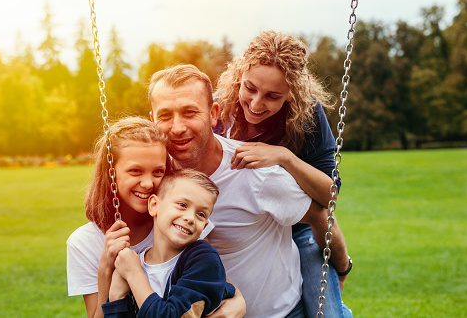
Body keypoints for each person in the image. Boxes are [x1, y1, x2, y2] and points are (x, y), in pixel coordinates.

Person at [148, 64, 347, 318]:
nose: (177, 127)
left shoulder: (255, 172)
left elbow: (321, 214)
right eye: (165, 115)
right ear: (152, 119)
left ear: (213, 114)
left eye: (189, 112)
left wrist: (341, 268)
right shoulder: (152, 177)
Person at [215, 30, 352, 317]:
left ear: (292, 93)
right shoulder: (219, 109)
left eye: (272, 96)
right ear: (240, 74)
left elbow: (329, 195)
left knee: (327, 313)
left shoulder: (307, 114)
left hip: (297, 230)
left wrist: (284, 157)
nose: (255, 104)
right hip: (246, 229)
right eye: (250, 88)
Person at [67, 117, 172, 318]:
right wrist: (106, 267)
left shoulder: (183, 222)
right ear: (110, 174)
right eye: (135, 171)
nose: (148, 183)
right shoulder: (84, 243)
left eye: (158, 171)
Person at [101, 169, 236, 317]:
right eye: (182, 205)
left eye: (201, 214)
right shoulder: (133, 262)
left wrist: (133, 274)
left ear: (204, 226)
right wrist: (116, 298)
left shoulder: (204, 260)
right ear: (153, 205)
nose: (190, 218)